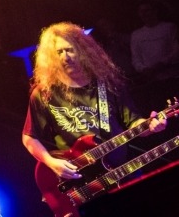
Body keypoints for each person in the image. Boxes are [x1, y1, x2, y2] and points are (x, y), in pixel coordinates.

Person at [22, 22, 168, 217]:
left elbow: (133, 122)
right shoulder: (44, 94)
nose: (65, 57)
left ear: (83, 51)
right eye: (58, 52)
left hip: (120, 172)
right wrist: (51, 162)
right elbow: (29, 137)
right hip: (81, 183)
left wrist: (152, 126)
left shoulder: (107, 83)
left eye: (70, 50)